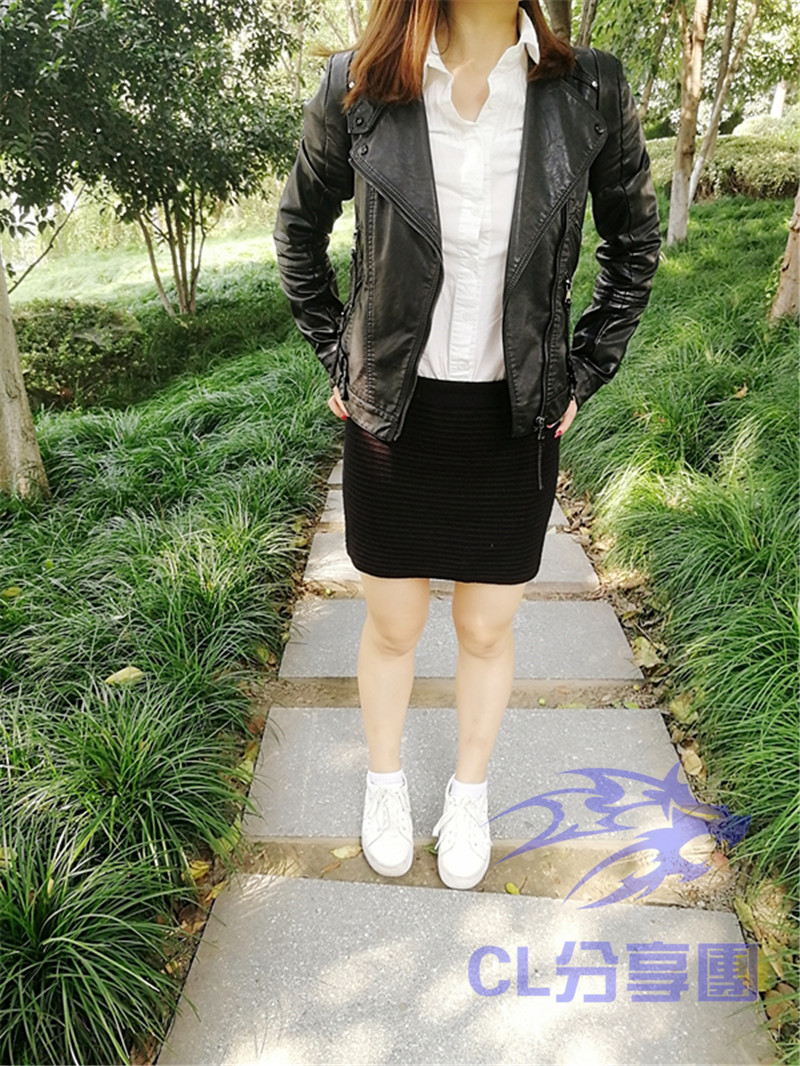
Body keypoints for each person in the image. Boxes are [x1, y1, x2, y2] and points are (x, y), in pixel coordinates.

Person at [272, 0, 662, 891]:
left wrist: (584, 367)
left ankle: (470, 791)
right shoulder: (359, 85)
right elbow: (298, 228)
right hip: (394, 413)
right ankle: (383, 782)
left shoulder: (588, 88)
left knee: (487, 629)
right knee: (393, 624)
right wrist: (339, 353)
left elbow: (634, 239)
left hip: (514, 415)